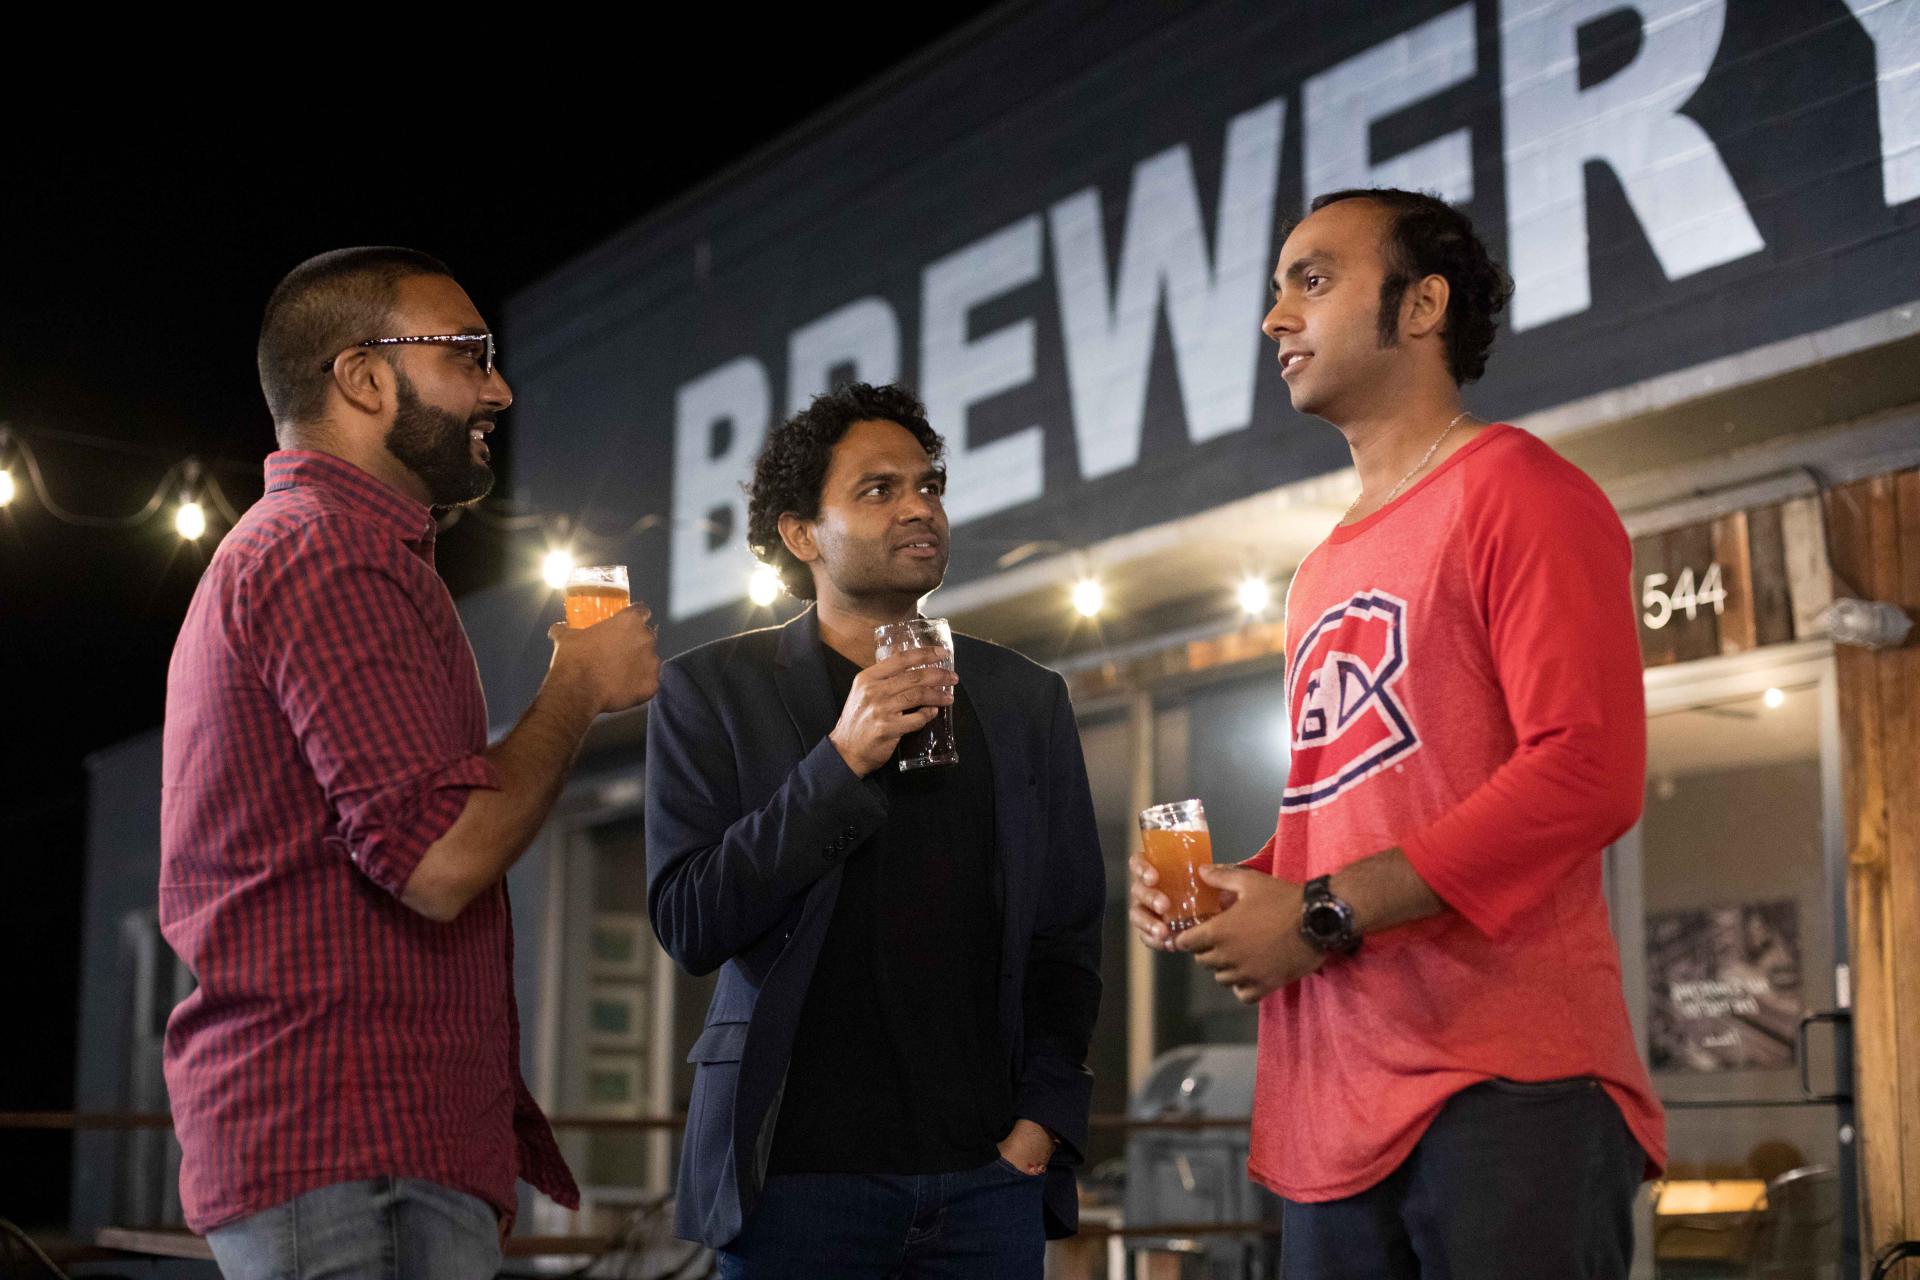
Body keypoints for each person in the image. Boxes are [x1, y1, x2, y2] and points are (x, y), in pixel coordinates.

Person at [1129, 189, 1666, 1278]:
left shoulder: (1518, 488)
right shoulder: (1319, 570)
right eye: (1278, 288)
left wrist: (1321, 912)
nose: (1277, 317)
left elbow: (1588, 771)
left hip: (1505, 1086)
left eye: (1312, 279)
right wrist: (1254, 885)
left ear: (1421, 304)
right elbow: (1355, 803)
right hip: (1333, 1109)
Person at [161, 247, 660, 1277]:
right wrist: (576, 687)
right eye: (469, 354)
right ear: (363, 376)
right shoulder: (327, 549)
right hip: (354, 1151)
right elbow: (439, 858)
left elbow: (406, 822)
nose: (500, 386)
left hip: (366, 1150)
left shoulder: (334, 551)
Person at [645, 381, 1104, 1277]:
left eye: (928, 485)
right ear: (801, 534)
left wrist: (1041, 1125)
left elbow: (1068, 935)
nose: (919, 509)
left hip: (986, 1183)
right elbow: (692, 922)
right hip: (795, 1188)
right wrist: (837, 762)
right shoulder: (711, 691)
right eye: (878, 490)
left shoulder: (1022, 698)